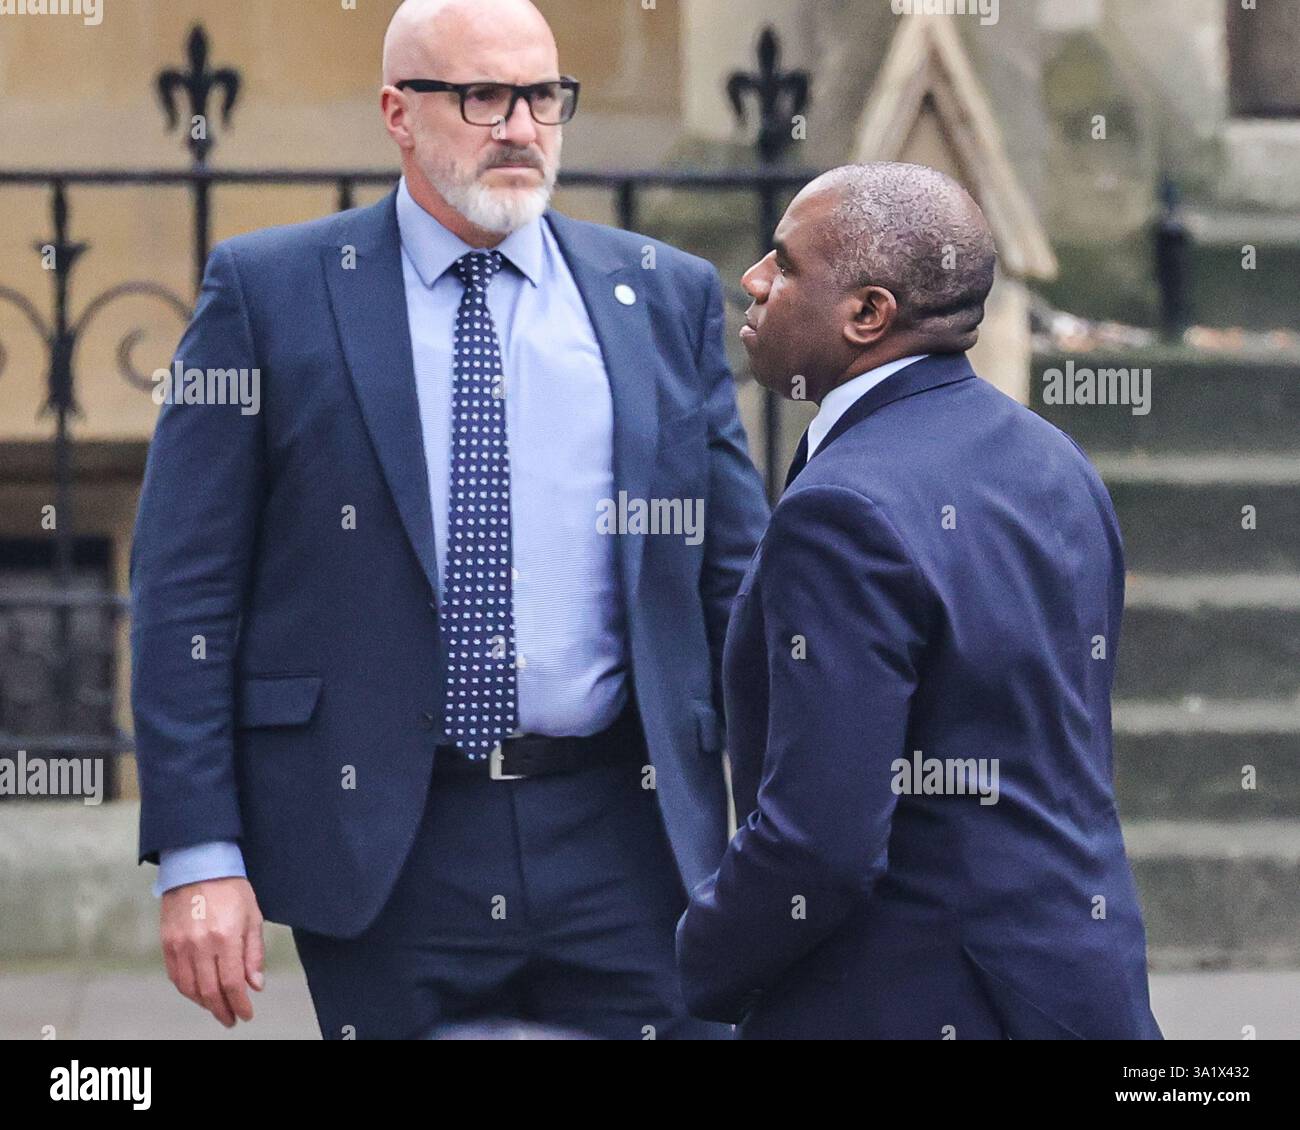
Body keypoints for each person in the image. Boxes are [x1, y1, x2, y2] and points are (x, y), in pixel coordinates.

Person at [132, 0, 767, 1040]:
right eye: (481, 96)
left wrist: (799, 830)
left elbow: (735, 581)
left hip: (630, 832)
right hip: (387, 837)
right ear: (398, 111)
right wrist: (201, 853)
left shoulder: (660, 297)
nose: (520, 126)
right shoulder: (274, 292)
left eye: (542, 96)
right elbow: (183, 586)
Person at [676, 162, 1163, 1040]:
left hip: (907, 997)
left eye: (784, 265)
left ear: (868, 314)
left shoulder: (842, 511)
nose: (752, 280)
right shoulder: (1053, 459)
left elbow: (819, 841)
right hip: (1081, 988)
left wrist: (699, 957)